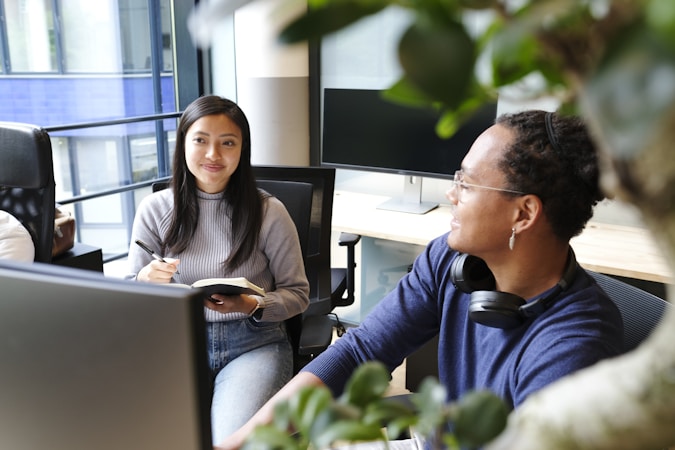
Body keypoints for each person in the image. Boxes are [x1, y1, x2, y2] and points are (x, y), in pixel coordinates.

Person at [217, 110, 624, 450]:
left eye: (466, 183)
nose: (452, 194)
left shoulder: (574, 348)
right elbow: (359, 353)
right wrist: (246, 440)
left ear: (523, 214)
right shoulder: (450, 260)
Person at [127, 95, 310, 443]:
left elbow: (299, 293)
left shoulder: (269, 212)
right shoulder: (154, 209)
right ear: (183, 143)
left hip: (253, 344)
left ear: (243, 150)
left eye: (228, 143)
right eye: (200, 140)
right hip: (175, 345)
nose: (213, 155)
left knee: (226, 441)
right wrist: (142, 280)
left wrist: (253, 304)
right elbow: (128, 295)